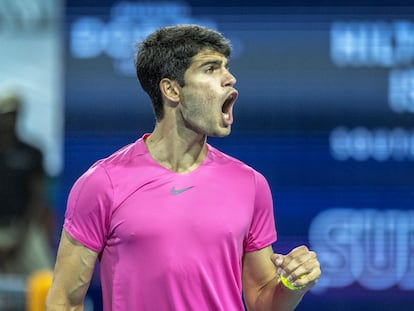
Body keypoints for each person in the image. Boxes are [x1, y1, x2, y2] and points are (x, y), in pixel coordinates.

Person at [46, 24, 321, 310]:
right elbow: (63, 301)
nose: (230, 78)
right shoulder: (102, 183)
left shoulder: (251, 184)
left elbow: (263, 301)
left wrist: (292, 284)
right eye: (211, 68)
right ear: (172, 90)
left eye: (226, 67)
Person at [0, 90, 54, 276]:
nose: (9, 121)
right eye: (6, 115)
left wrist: (21, 237)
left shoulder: (31, 152)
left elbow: (37, 197)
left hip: (24, 227)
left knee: (45, 277)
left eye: (14, 115)